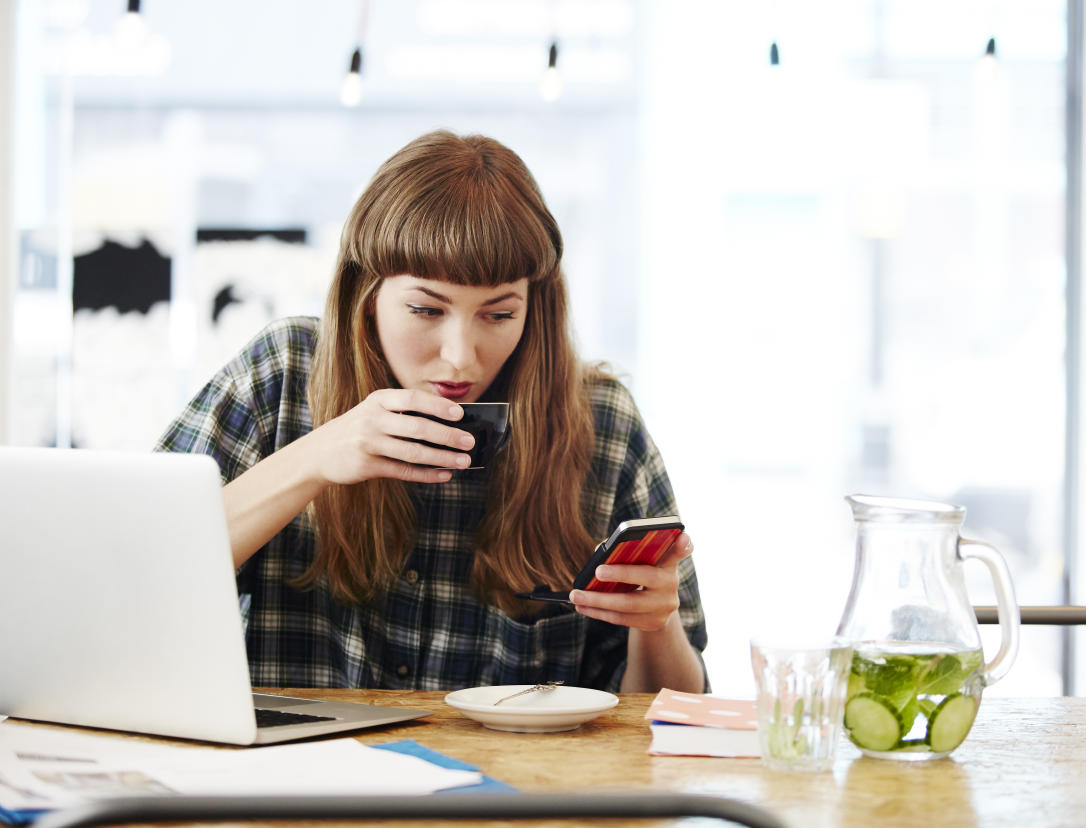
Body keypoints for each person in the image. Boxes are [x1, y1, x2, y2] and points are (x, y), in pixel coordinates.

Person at [157, 130, 707, 694]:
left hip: (519, 781)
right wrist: (315, 458)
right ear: (365, 293)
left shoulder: (601, 422)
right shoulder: (283, 373)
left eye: (497, 315)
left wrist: (656, 626)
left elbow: (675, 713)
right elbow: (142, 576)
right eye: (425, 309)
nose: (460, 357)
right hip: (296, 778)